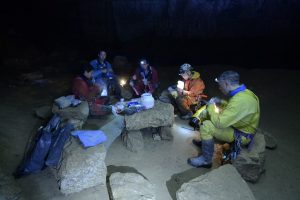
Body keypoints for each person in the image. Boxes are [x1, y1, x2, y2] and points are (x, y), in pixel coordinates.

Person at [187, 70, 260, 168]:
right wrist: (221, 102)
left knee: (206, 125)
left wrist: (211, 107)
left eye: (220, 85)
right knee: (211, 114)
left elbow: (220, 123)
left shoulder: (240, 100)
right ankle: (206, 142)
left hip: (241, 134)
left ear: (226, 83)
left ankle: (206, 160)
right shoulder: (244, 93)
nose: (219, 87)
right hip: (241, 126)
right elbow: (234, 109)